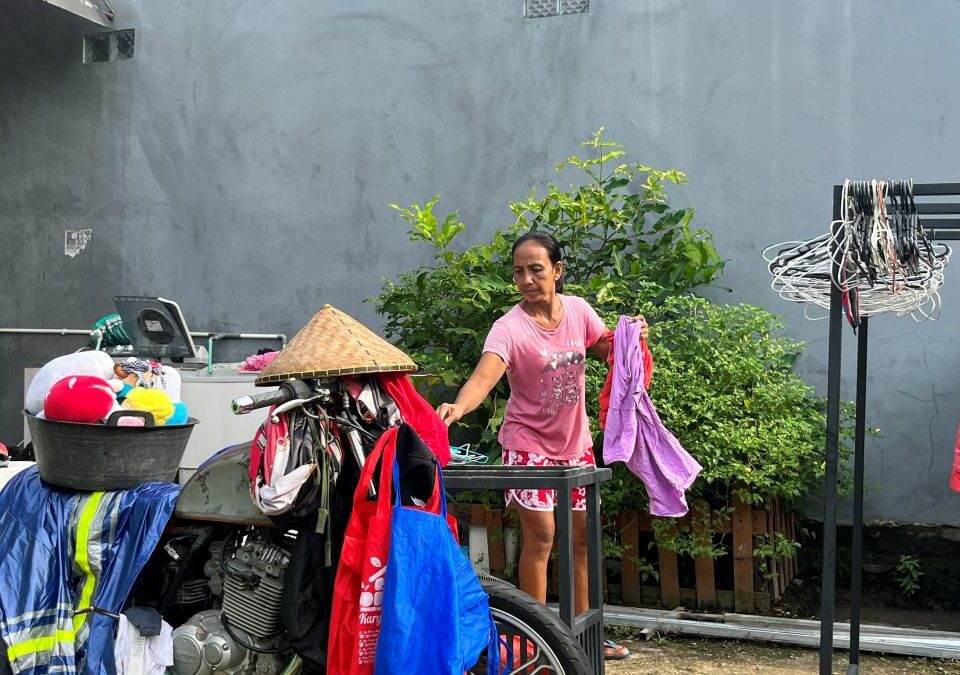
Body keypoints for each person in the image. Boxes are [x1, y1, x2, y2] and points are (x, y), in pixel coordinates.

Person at [436, 231, 647, 661]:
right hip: (527, 443)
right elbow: (484, 375)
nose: (527, 279)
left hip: (575, 445)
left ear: (557, 271)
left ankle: (585, 637)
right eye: (519, 271)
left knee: (583, 539)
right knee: (543, 537)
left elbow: (606, 346)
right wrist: (458, 407)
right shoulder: (509, 328)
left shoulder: (578, 311)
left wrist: (630, 335)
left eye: (536, 269)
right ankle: (534, 637)